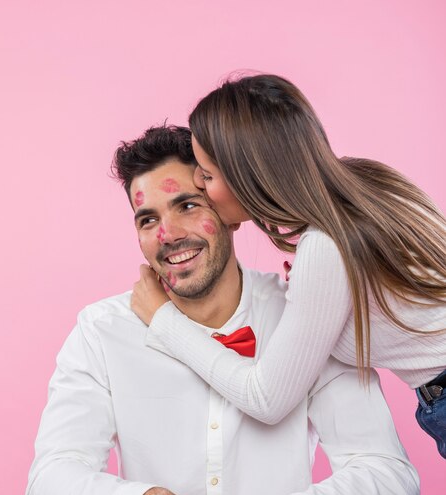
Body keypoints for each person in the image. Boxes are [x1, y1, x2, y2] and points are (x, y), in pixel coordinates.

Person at [26, 125, 419, 495]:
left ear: (228, 209)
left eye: (188, 205)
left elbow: (389, 479)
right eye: (148, 219)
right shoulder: (101, 331)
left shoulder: (307, 314)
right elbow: (48, 483)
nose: (167, 235)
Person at [131, 74, 446, 458]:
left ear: (248, 175)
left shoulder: (326, 246)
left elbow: (266, 399)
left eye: (208, 175)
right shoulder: (367, 182)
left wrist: (164, 321)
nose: (199, 182)